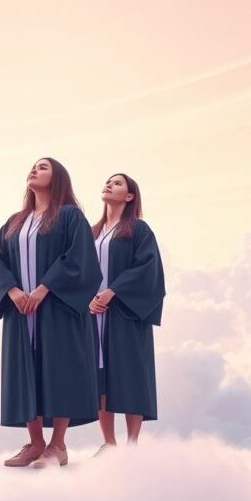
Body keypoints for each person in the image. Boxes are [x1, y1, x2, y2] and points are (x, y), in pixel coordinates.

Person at [0, 157, 101, 469]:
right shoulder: (15, 221)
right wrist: (11, 291)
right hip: (20, 311)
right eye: (33, 166)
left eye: (43, 167)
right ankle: (36, 443)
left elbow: (79, 259)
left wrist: (43, 289)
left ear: (58, 178)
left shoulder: (69, 216)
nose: (34, 169)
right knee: (25, 373)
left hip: (57, 308)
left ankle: (58, 445)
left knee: (59, 369)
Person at [89, 173, 165, 454]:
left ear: (130, 196)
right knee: (100, 377)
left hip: (126, 313)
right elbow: (79, 270)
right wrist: (89, 300)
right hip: (94, 314)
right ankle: (108, 443)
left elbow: (148, 268)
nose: (109, 184)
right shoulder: (92, 232)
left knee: (130, 375)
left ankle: (132, 444)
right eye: (107, 181)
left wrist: (113, 291)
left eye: (118, 183)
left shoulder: (138, 229)